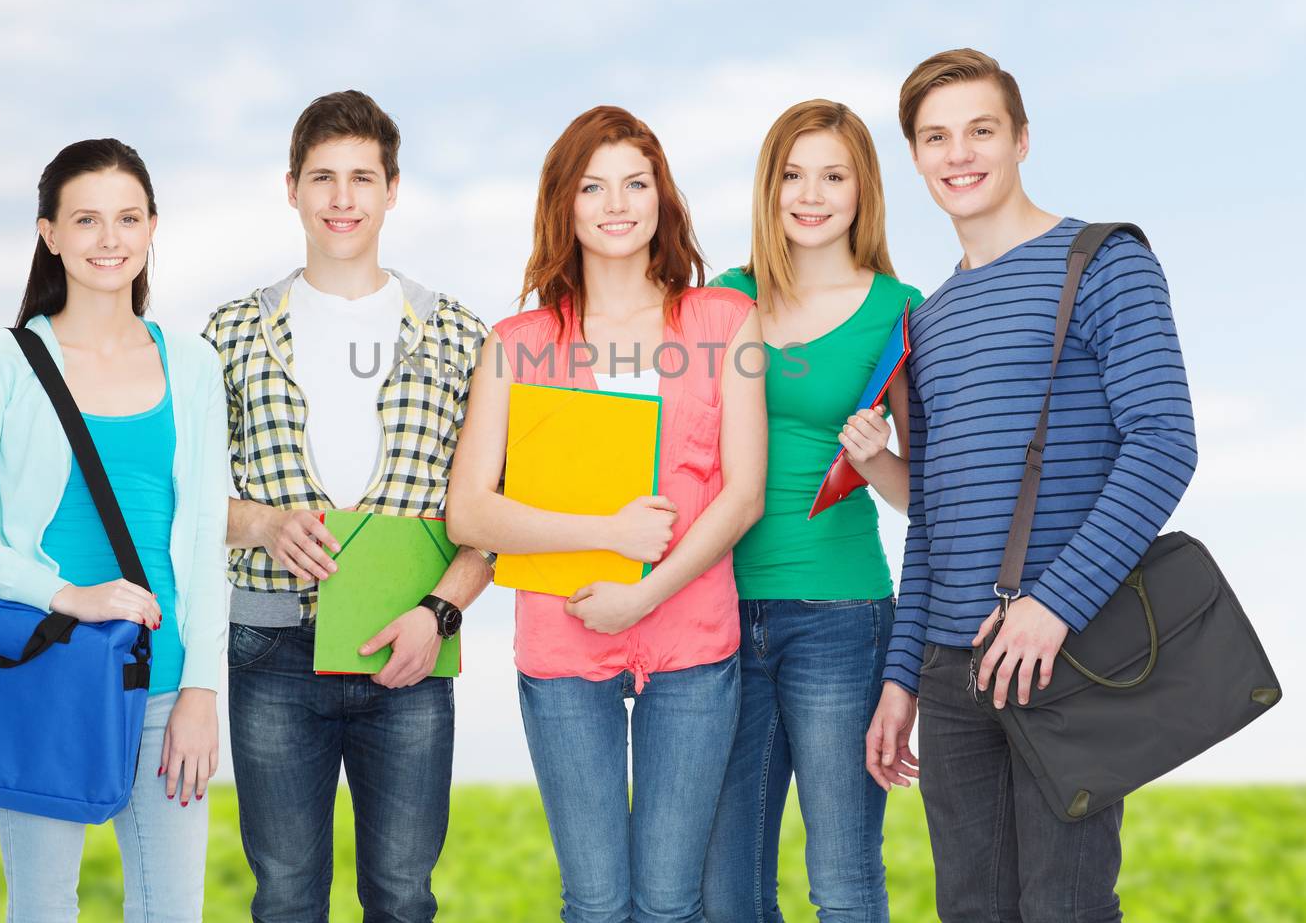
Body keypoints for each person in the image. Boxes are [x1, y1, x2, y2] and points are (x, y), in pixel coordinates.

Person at [866, 49, 1198, 921]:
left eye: (980, 129)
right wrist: (904, 676)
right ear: (914, 157)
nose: (958, 153)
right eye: (935, 137)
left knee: (1067, 908)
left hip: (1068, 652)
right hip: (950, 671)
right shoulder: (926, 320)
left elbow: (1163, 443)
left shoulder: (1104, 261)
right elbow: (931, 515)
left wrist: (1052, 605)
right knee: (970, 909)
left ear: (1020, 139)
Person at [447, 105, 767, 923]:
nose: (617, 203)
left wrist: (644, 590)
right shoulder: (516, 343)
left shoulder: (725, 321)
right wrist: (606, 535)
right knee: (594, 901)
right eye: (593, 186)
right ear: (565, 203)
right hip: (560, 640)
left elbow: (743, 494)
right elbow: (469, 513)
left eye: (636, 182)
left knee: (668, 900)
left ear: (662, 196)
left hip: (692, 635)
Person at [203, 90, 492, 923]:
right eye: (322, 177)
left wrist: (438, 615)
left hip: (409, 649)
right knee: (287, 897)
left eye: (361, 178)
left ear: (392, 189)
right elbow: (179, 498)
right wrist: (260, 523)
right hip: (272, 648)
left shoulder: (460, 336)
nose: (342, 198)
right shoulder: (230, 333)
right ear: (290, 187)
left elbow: (489, 516)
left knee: (403, 899)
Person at [0, 138, 228, 922]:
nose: (109, 238)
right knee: (44, 907)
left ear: (153, 226)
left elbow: (204, 537)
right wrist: (71, 595)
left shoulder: (193, 363)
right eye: (87, 219)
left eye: (128, 218)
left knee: (171, 911)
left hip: (163, 685)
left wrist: (201, 687)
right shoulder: (8, 359)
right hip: (49, 672)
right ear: (49, 232)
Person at [702, 100, 922, 923]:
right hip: (720, 612)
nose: (812, 193)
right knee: (729, 887)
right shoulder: (725, 299)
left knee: (843, 876)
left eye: (833, 175)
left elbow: (918, 496)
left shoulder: (898, 308)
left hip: (842, 615)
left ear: (863, 188)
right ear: (769, 186)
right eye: (793, 174)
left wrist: (874, 459)